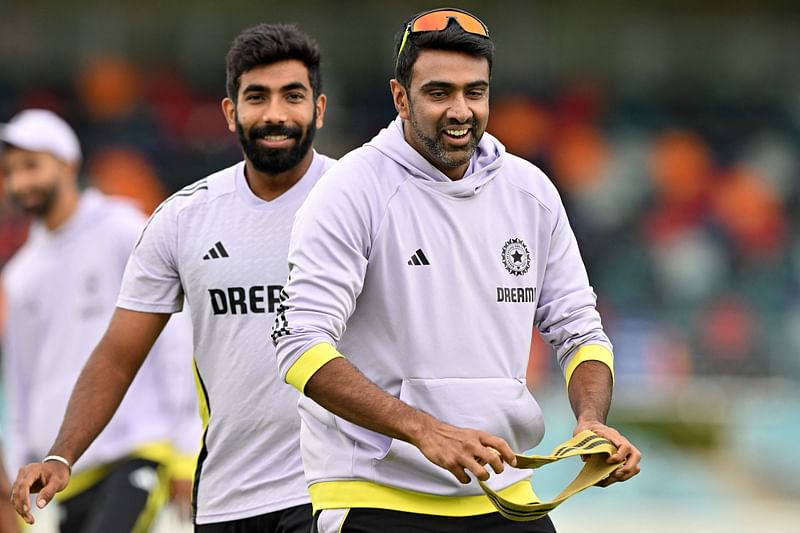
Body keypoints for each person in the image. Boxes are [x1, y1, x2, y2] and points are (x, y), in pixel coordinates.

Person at [271, 7, 642, 533]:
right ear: (400, 97)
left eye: (475, 92)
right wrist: (425, 430)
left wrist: (591, 423)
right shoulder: (351, 189)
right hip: (378, 500)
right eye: (439, 92)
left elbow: (580, 329)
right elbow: (299, 346)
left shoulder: (530, 191)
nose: (461, 110)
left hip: (506, 496)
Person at [10, 23, 334, 533]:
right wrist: (61, 456)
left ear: (318, 108)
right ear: (230, 113)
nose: (275, 114)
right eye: (256, 97)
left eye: (292, 96)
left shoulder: (359, 200)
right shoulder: (184, 218)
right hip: (228, 497)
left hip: (333, 488)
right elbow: (119, 355)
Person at [0, 108, 200, 532]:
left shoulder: (123, 231)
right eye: (10, 172)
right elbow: (20, 381)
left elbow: (174, 339)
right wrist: (20, 463)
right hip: (67, 472)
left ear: (69, 164)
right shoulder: (19, 276)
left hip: (140, 448)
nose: (21, 182)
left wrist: (186, 449)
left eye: (32, 166)